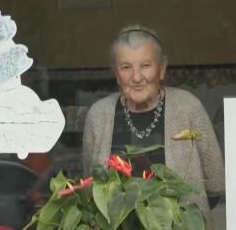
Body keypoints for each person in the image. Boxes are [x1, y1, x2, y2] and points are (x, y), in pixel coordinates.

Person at [82, 25, 225, 217]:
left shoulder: (188, 108)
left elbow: (215, 183)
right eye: (126, 67)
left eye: (145, 65)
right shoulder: (99, 115)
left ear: (162, 68)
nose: (137, 77)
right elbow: (91, 185)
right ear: (116, 73)